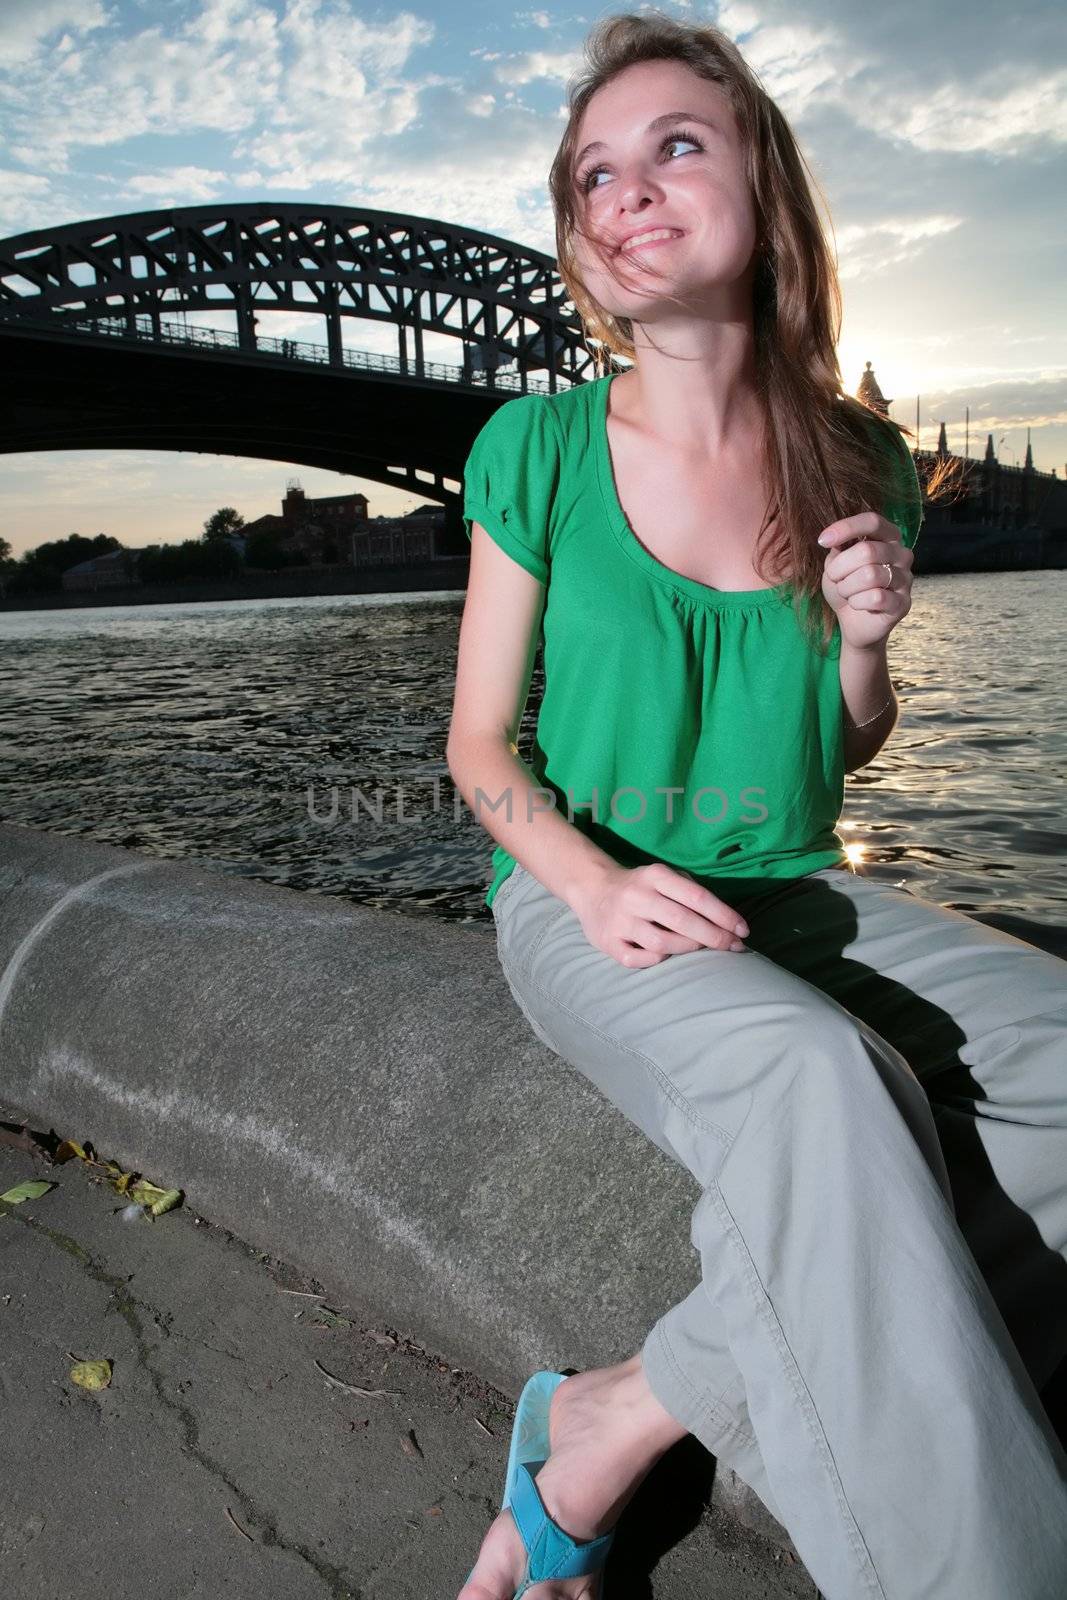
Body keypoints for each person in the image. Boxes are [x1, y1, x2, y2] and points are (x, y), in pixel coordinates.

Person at [446, 12, 1067, 1599]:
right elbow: (478, 757)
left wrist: (867, 642)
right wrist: (586, 886)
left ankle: (619, 1409)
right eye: (596, 172)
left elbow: (845, 751)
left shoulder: (858, 456)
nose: (629, 191)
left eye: (675, 146)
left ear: (763, 188)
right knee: (824, 1084)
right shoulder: (539, 450)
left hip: (796, 886)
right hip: (592, 903)